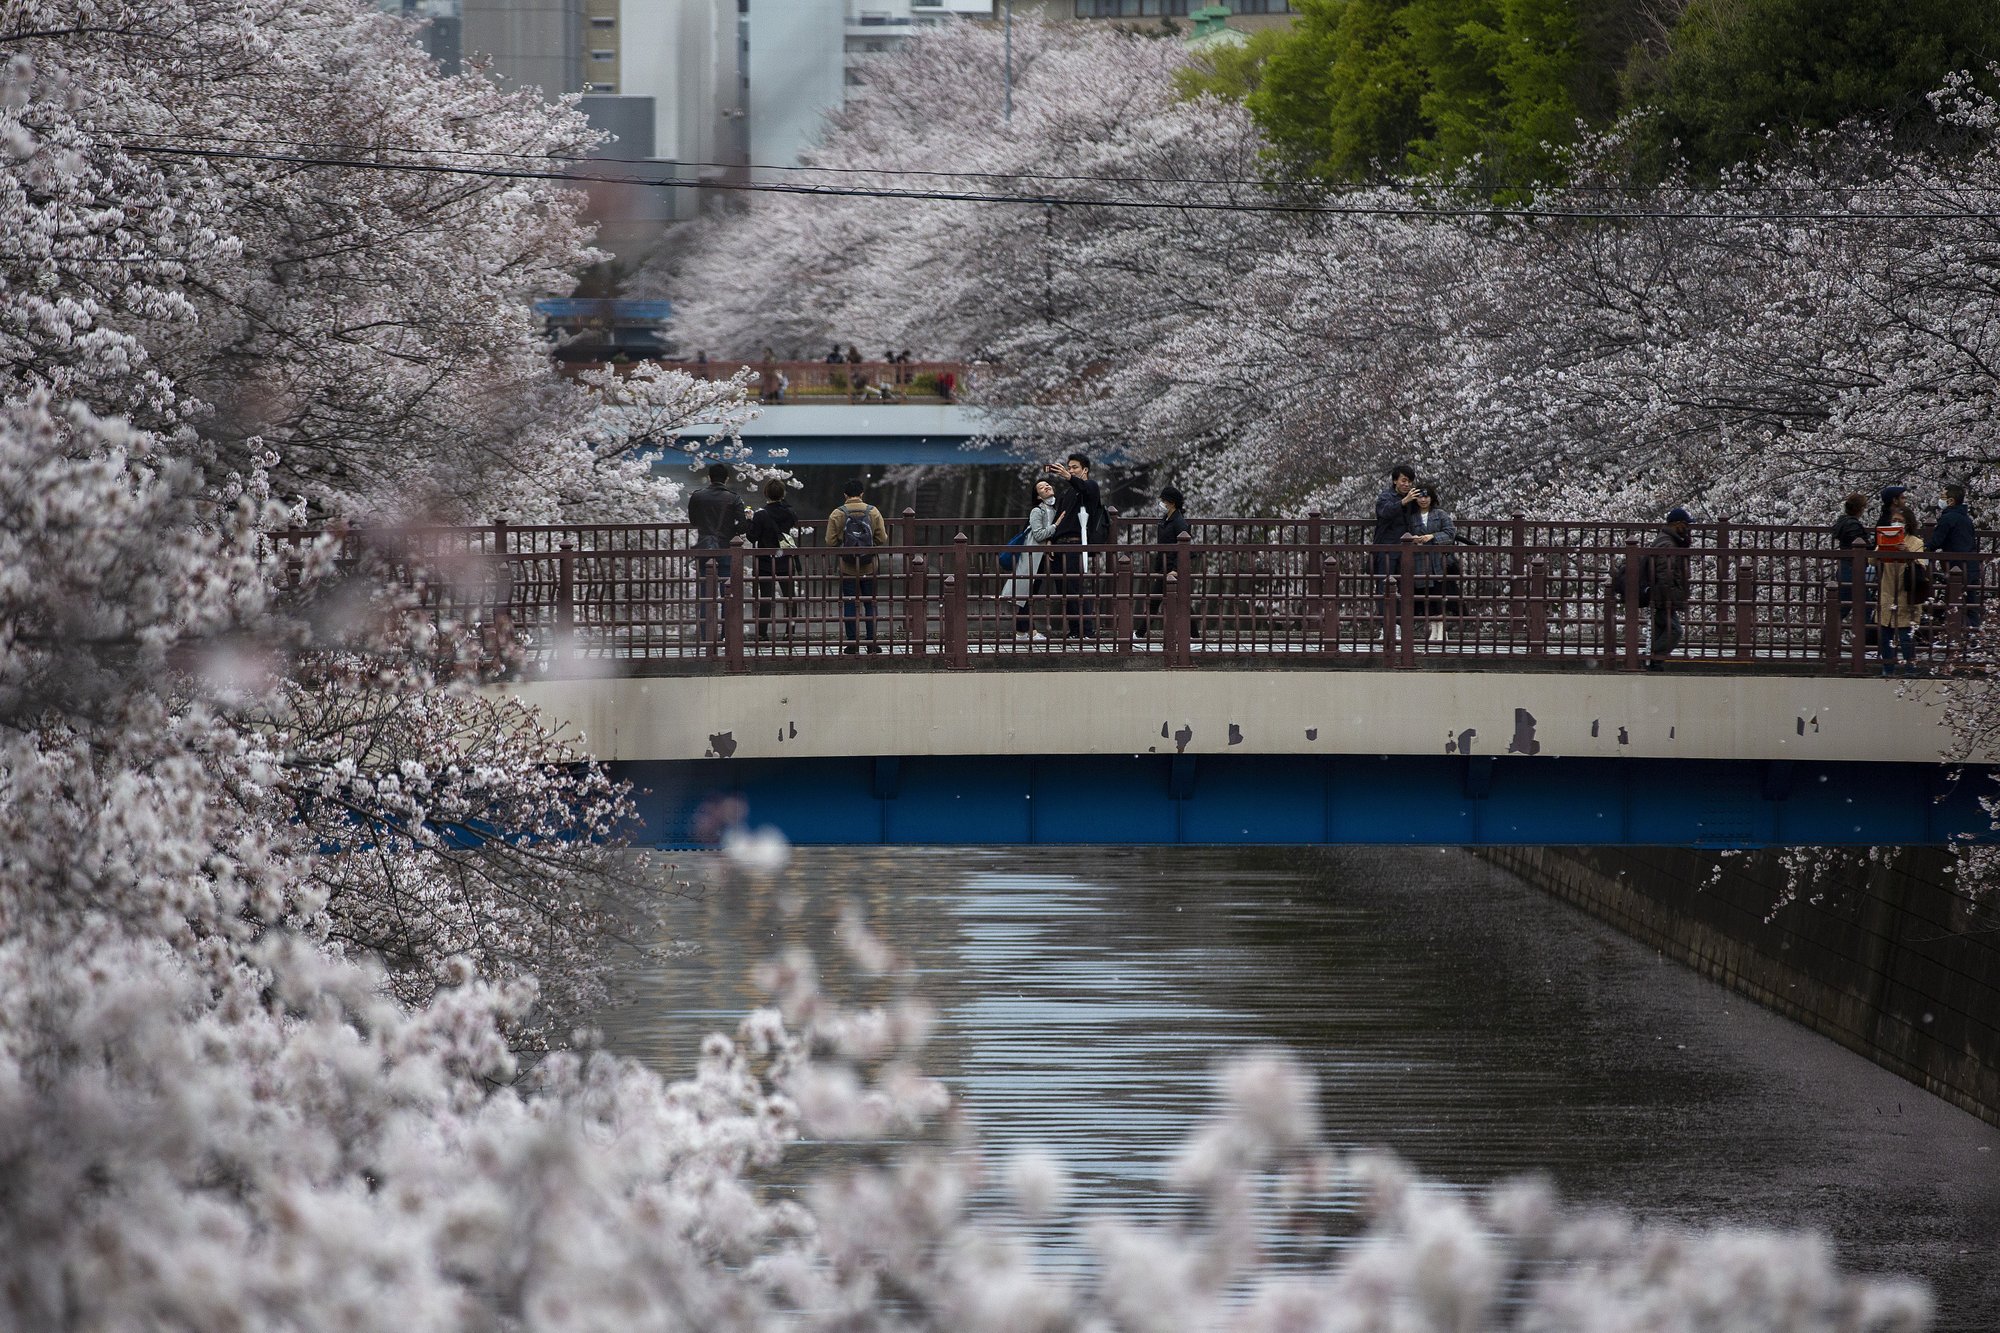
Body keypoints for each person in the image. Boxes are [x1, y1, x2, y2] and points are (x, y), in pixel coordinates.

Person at [825, 478, 889, 654]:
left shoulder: (838, 513)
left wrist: (845, 542)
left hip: (848, 566)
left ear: (845, 495)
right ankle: (872, 643)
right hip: (869, 565)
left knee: (850, 603)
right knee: (870, 604)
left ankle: (852, 643)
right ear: (862, 494)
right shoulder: (873, 512)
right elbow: (882, 539)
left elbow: (830, 541)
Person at [687, 463, 749, 644]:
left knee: (706, 592)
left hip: (705, 548)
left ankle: (706, 635)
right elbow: (743, 525)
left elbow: (693, 521)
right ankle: (726, 635)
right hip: (726, 548)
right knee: (727, 593)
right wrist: (731, 528)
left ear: (709, 477)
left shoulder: (697, 496)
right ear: (726, 479)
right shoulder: (733, 499)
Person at [1046, 453, 1103, 639]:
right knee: (1063, 589)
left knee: (1075, 587)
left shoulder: (1091, 487)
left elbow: (1085, 488)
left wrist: (1069, 477)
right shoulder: (1067, 493)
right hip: (1059, 544)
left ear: (1085, 469)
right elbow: (1058, 517)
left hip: (1076, 543)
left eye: (1074, 467)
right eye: (1069, 467)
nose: (1070, 470)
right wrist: (1050, 540)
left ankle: (1086, 630)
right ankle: (1074, 629)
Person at [1876, 499, 1929, 677]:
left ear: (1908, 523)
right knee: (1885, 632)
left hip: (1907, 591)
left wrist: (1907, 553)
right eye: (1894, 520)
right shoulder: (1885, 537)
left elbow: (1921, 564)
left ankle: (1910, 668)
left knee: (1906, 633)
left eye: (1900, 521)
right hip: (1887, 588)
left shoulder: (1916, 542)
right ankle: (1887, 668)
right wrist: (1883, 549)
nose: (1896, 524)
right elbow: (1871, 559)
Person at [747, 477, 801, 642]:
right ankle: (789, 632)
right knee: (789, 597)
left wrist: (749, 520)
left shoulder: (761, 515)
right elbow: (793, 522)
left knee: (766, 597)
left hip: (765, 561)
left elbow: (752, 537)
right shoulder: (790, 512)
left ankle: (762, 633)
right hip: (785, 559)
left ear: (765, 494)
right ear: (783, 494)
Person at [1135, 484, 1191, 641]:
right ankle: (1140, 633)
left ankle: (1140, 634)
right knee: (1159, 602)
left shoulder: (1179, 522)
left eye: (1163, 501)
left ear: (1171, 502)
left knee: (1182, 604)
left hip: (1173, 570)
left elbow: (1186, 550)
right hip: (1164, 568)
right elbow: (1162, 549)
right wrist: (1158, 570)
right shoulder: (1166, 520)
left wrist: (1176, 569)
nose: (1161, 504)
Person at [1004, 478, 1058, 641]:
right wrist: (1056, 526)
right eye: (1041, 487)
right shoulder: (1037, 511)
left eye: (1047, 484)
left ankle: (1021, 632)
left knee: (1029, 594)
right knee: (1028, 594)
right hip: (1031, 558)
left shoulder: (1052, 509)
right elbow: (1039, 534)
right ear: (1038, 496)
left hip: (1038, 557)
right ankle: (1030, 632)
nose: (1046, 487)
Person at [1402, 481, 1455, 642]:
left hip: (1437, 560)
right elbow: (1405, 534)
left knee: (1439, 594)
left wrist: (1432, 536)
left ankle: (1442, 630)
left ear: (1432, 498)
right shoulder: (1411, 517)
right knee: (1426, 595)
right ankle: (1433, 629)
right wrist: (1414, 539)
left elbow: (1450, 533)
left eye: (1426, 497)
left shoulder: (1440, 514)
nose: (1423, 500)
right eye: (1420, 497)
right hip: (1419, 560)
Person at [1645, 506, 1693, 671]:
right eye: (1686, 524)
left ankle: (1654, 663)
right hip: (1663, 596)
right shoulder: (1667, 543)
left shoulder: (1665, 539)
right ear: (1677, 524)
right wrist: (1670, 598)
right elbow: (1666, 573)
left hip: (1660, 595)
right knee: (1675, 630)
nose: (1688, 528)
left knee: (1662, 629)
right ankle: (1652, 657)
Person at [1929, 482, 1980, 630]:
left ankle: (1956, 634)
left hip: (1956, 566)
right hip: (1971, 565)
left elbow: (1936, 541)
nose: (1940, 499)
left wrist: (1924, 547)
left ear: (1950, 501)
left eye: (1942, 496)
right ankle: (1973, 635)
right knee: (1971, 604)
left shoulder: (1948, 518)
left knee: (1954, 602)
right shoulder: (1966, 519)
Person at [1373, 464, 1417, 616]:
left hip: (1407, 550)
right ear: (1394, 481)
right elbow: (1385, 512)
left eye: (1410, 482)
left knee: (1405, 586)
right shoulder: (1386, 497)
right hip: (1387, 548)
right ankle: (1385, 624)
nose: (1407, 485)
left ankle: (1400, 623)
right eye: (1404, 481)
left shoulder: (1413, 499)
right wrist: (1404, 501)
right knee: (1384, 585)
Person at [1831, 491, 1872, 640]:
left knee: (1843, 606)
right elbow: (1860, 544)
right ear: (1860, 508)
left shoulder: (1843, 522)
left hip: (1845, 567)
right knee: (1862, 604)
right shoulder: (1853, 524)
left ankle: (1829, 638)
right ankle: (1861, 639)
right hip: (1852, 568)